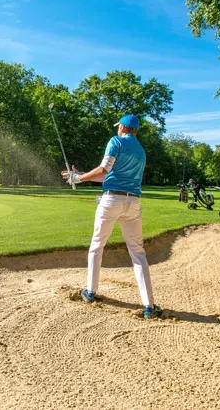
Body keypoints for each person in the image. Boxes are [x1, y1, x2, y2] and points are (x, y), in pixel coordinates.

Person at [62, 114, 162, 319]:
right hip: (133, 202)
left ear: (124, 127)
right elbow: (110, 175)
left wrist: (78, 178)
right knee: (138, 253)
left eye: (119, 127)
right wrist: (83, 175)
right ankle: (149, 306)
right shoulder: (141, 152)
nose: (118, 130)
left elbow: (104, 169)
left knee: (97, 245)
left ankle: (90, 292)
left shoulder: (115, 141)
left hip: (111, 201)